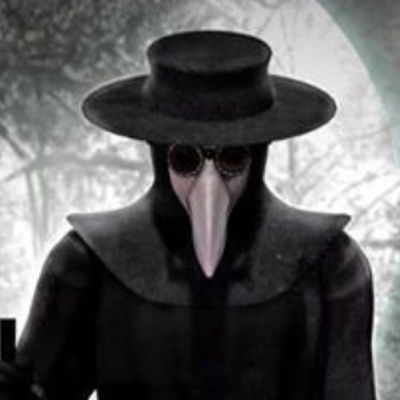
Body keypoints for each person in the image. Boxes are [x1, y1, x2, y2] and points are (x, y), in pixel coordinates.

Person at [0, 30, 376, 400]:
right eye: (186, 158)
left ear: (257, 150)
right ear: (161, 151)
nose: (209, 186)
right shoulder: (86, 262)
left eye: (232, 157)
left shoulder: (331, 263)